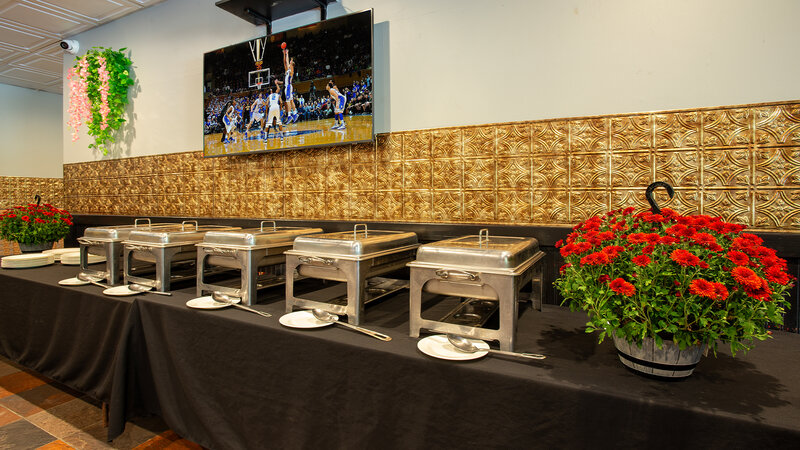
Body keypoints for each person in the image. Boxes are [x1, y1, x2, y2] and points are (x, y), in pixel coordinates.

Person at [282, 46, 299, 123]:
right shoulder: (288, 70)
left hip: (288, 87)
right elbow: (286, 61)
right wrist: (286, 54)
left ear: (292, 65)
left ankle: (289, 115)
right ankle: (295, 113)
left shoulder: (291, 71)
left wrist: (291, 62)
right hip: (289, 87)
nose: (289, 63)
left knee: (288, 101)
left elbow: (288, 63)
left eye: (290, 64)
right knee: (291, 101)